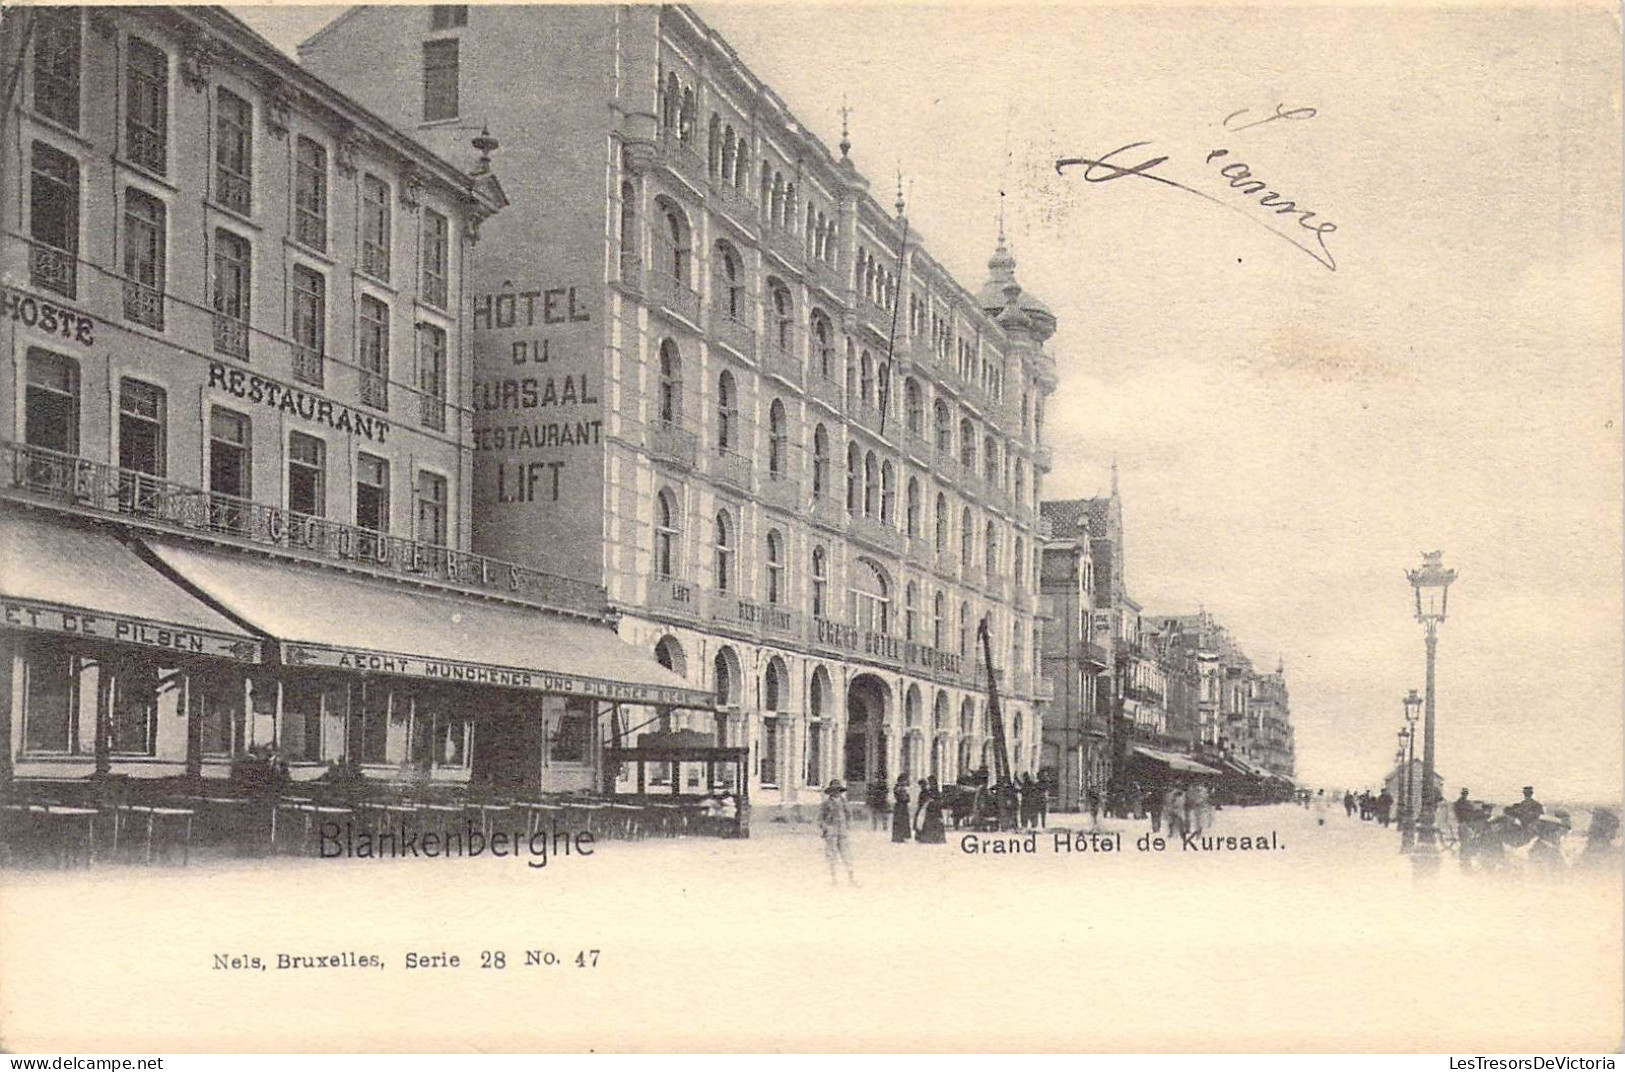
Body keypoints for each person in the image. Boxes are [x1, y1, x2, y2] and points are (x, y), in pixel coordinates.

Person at [818, 780, 858, 886]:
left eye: (838, 790)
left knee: (846, 854)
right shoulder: (826, 804)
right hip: (831, 831)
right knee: (832, 855)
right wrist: (825, 828)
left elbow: (849, 815)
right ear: (830, 792)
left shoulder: (844, 803)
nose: (836, 793)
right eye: (834, 790)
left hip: (843, 831)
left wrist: (848, 825)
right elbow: (821, 819)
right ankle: (833, 879)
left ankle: (851, 878)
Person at [917, 777, 947, 844]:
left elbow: (939, 801)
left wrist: (933, 801)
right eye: (930, 783)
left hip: (935, 810)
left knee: (935, 824)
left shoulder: (936, 791)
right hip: (930, 810)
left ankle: (936, 839)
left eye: (931, 782)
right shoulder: (930, 791)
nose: (930, 784)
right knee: (929, 824)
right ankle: (928, 838)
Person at [891, 775, 912, 843]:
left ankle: (901, 836)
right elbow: (903, 797)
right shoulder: (899, 788)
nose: (905, 782)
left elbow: (908, 798)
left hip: (902, 806)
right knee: (900, 821)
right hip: (900, 806)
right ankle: (898, 837)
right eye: (904, 780)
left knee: (903, 821)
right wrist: (906, 797)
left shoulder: (901, 788)